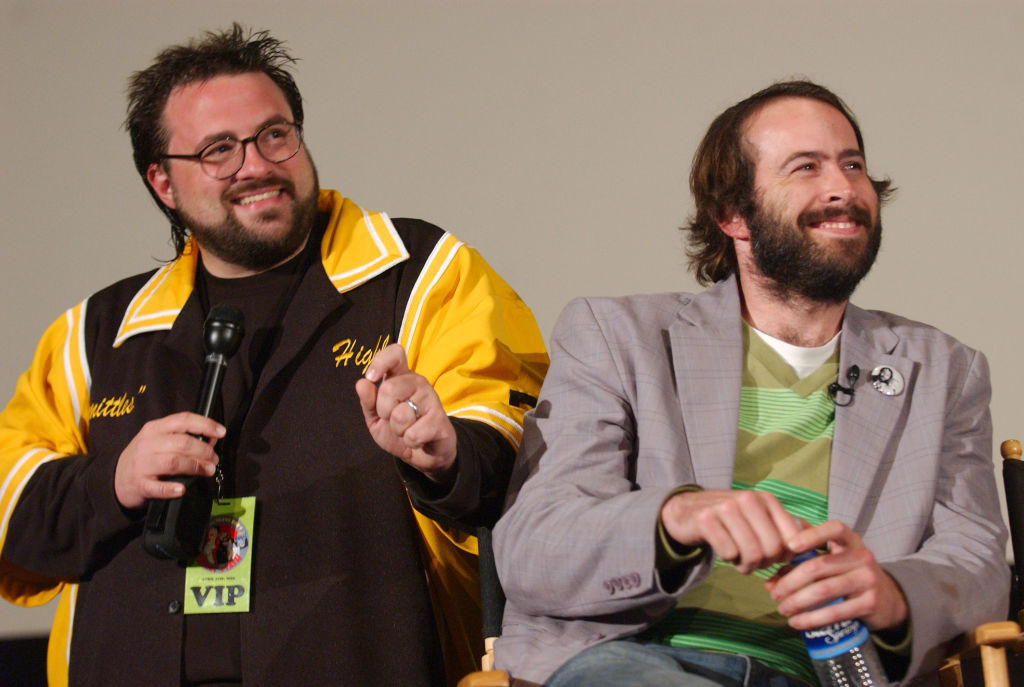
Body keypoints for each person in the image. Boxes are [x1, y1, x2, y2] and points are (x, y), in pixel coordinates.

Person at [0, 24, 547, 687]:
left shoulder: (421, 273)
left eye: (274, 135)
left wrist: (446, 452)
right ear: (163, 182)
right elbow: (12, 514)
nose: (254, 165)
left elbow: (520, 443)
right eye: (217, 149)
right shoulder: (97, 333)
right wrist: (112, 480)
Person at [492, 81, 1008, 687]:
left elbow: (976, 566)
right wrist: (675, 518)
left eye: (853, 164)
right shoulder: (617, 337)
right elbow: (535, 548)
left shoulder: (943, 371)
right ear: (732, 214)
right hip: (636, 662)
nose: (843, 187)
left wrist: (893, 593)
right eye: (806, 167)